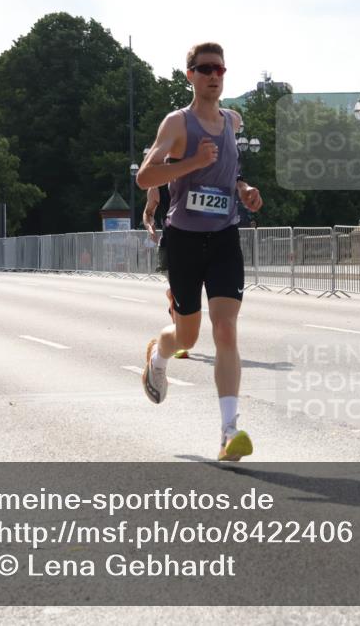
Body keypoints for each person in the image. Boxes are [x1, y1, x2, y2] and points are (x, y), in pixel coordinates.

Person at [136, 42, 263, 462]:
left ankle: (230, 432)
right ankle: (159, 352)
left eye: (220, 69)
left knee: (225, 329)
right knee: (187, 335)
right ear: (189, 74)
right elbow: (145, 176)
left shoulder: (232, 121)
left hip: (224, 237)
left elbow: (229, 172)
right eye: (205, 68)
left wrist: (243, 190)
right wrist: (189, 164)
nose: (214, 75)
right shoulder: (178, 123)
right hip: (185, 241)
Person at [143, 184, 188, 359]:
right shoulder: (156, 188)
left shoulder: (194, 176)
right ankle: (179, 341)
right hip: (170, 245)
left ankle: (172, 296)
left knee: (189, 292)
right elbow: (148, 213)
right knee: (180, 294)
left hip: (196, 245)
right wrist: (150, 226)